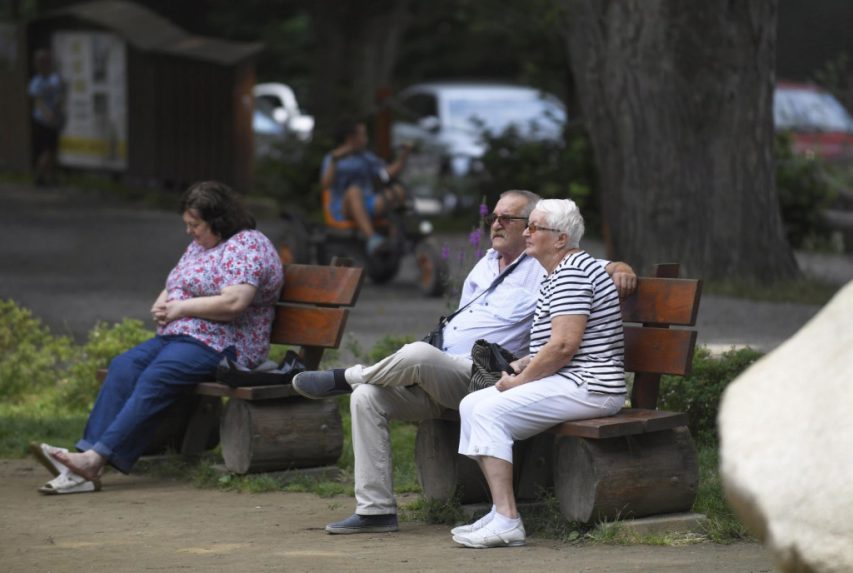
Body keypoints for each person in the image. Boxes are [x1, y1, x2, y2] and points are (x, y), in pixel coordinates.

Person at [292, 190, 636, 534]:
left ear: (553, 236)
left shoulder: (551, 267)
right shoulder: (486, 264)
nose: (497, 224)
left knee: (417, 355)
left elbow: (585, 282)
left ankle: (350, 374)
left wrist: (620, 267)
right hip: (447, 372)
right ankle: (375, 510)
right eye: (494, 218)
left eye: (512, 220)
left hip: (483, 374)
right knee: (367, 397)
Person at [30, 181, 284, 494]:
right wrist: (163, 301)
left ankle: (92, 462)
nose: (189, 231)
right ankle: (83, 459)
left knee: (158, 375)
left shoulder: (247, 246)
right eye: (187, 224)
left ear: (218, 221)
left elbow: (234, 303)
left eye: (195, 225)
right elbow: (178, 280)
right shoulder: (202, 245)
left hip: (223, 343)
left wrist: (179, 309)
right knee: (123, 366)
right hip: (180, 337)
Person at [451, 198, 626, 548]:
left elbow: (564, 346)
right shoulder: (560, 271)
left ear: (560, 239)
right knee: (472, 405)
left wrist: (519, 380)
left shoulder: (573, 272)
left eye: (534, 227)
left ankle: (508, 520)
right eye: (528, 226)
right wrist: (527, 361)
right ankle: (502, 512)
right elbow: (563, 341)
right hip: (573, 380)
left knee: (488, 410)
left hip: (591, 386)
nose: (527, 233)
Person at [320, 119, 413, 255]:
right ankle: (372, 239)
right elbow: (325, 185)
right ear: (351, 138)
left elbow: (386, 174)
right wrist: (335, 161)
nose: (366, 139)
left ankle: (398, 237)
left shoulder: (366, 157)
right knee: (354, 190)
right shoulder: (333, 158)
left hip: (368, 203)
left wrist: (403, 156)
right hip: (343, 208)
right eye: (363, 135)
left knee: (397, 190)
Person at [28, 49, 65, 187]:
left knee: (52, 150)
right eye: (41, 63)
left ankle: (50, 176)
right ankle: (39, 176)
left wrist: (57, 111)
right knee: (47, 151)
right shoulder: (36, 81)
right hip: (42, 121)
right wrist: (46, 113)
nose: (43, 65)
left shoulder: (53, 79)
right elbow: (38, 101)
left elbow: (59, 95)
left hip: (53, 120)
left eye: (46, 62)